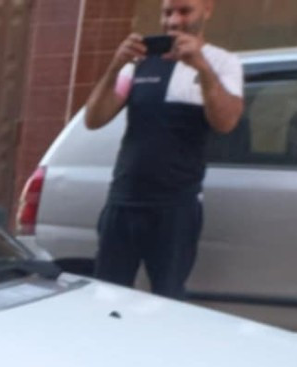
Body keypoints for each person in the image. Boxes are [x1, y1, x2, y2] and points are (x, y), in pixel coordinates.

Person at [82, 0, 243, 299]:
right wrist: (116, 65)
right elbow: (94, 119)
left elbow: (226, 122)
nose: (173, 21)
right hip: (124, 201)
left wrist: (202, 68)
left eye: (184, 11)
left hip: (176, 207)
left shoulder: (222, 62)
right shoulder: (140, 62)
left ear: (207, 10)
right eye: (167, 12)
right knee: (105, 296)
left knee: (168, 299)